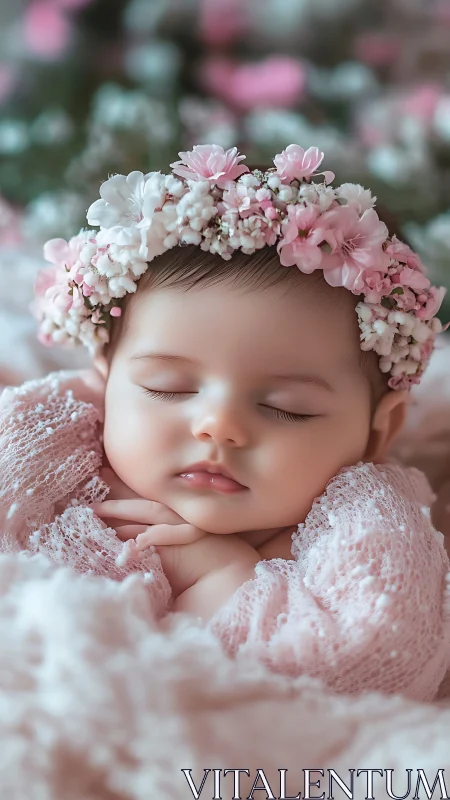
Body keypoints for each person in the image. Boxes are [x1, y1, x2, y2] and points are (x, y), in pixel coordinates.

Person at [8, 143, 449, 698]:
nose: (218, 427)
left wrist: (219, 575)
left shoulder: (364, 535)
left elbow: (374, 665)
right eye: (167, 388)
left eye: (287, 407)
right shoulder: (54, 450)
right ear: (106, 379)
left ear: (377, 431)